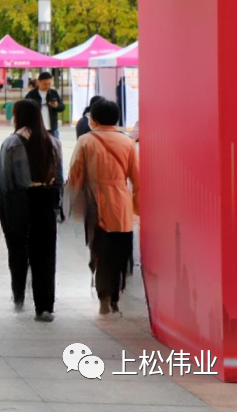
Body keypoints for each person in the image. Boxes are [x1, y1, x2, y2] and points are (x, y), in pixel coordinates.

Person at [66, 100, 140, 316]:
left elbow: (75, 174)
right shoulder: (127, 142)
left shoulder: (85, 140)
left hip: (95, 203)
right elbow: (137, 179)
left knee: (100, 252)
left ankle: (104, 297)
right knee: (119, 250)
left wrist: (72, 203)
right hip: (121, 202)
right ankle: (115, 296)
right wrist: (136, 208)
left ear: (94, 118)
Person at [0, 100, 65, 322]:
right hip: (45, 201)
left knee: (18, 249)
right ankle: (45, 306)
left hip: (19, 201)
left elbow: (5, 182)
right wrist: (58, 207)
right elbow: (59, 179)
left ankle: (19, 297)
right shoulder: (53, 142)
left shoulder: (11, 143)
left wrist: (5, 213)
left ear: (18, 117)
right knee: (45, 254)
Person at [26, 71, 65, 140]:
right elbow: (25, 110)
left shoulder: (53, 93)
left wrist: (56, 106)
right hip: (36, 128)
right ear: (38, 82)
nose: (47, 86)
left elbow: (62, 107)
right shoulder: (31, 94)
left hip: (52, 128)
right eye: (44, 84)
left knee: (54, 146)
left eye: (49, 84)